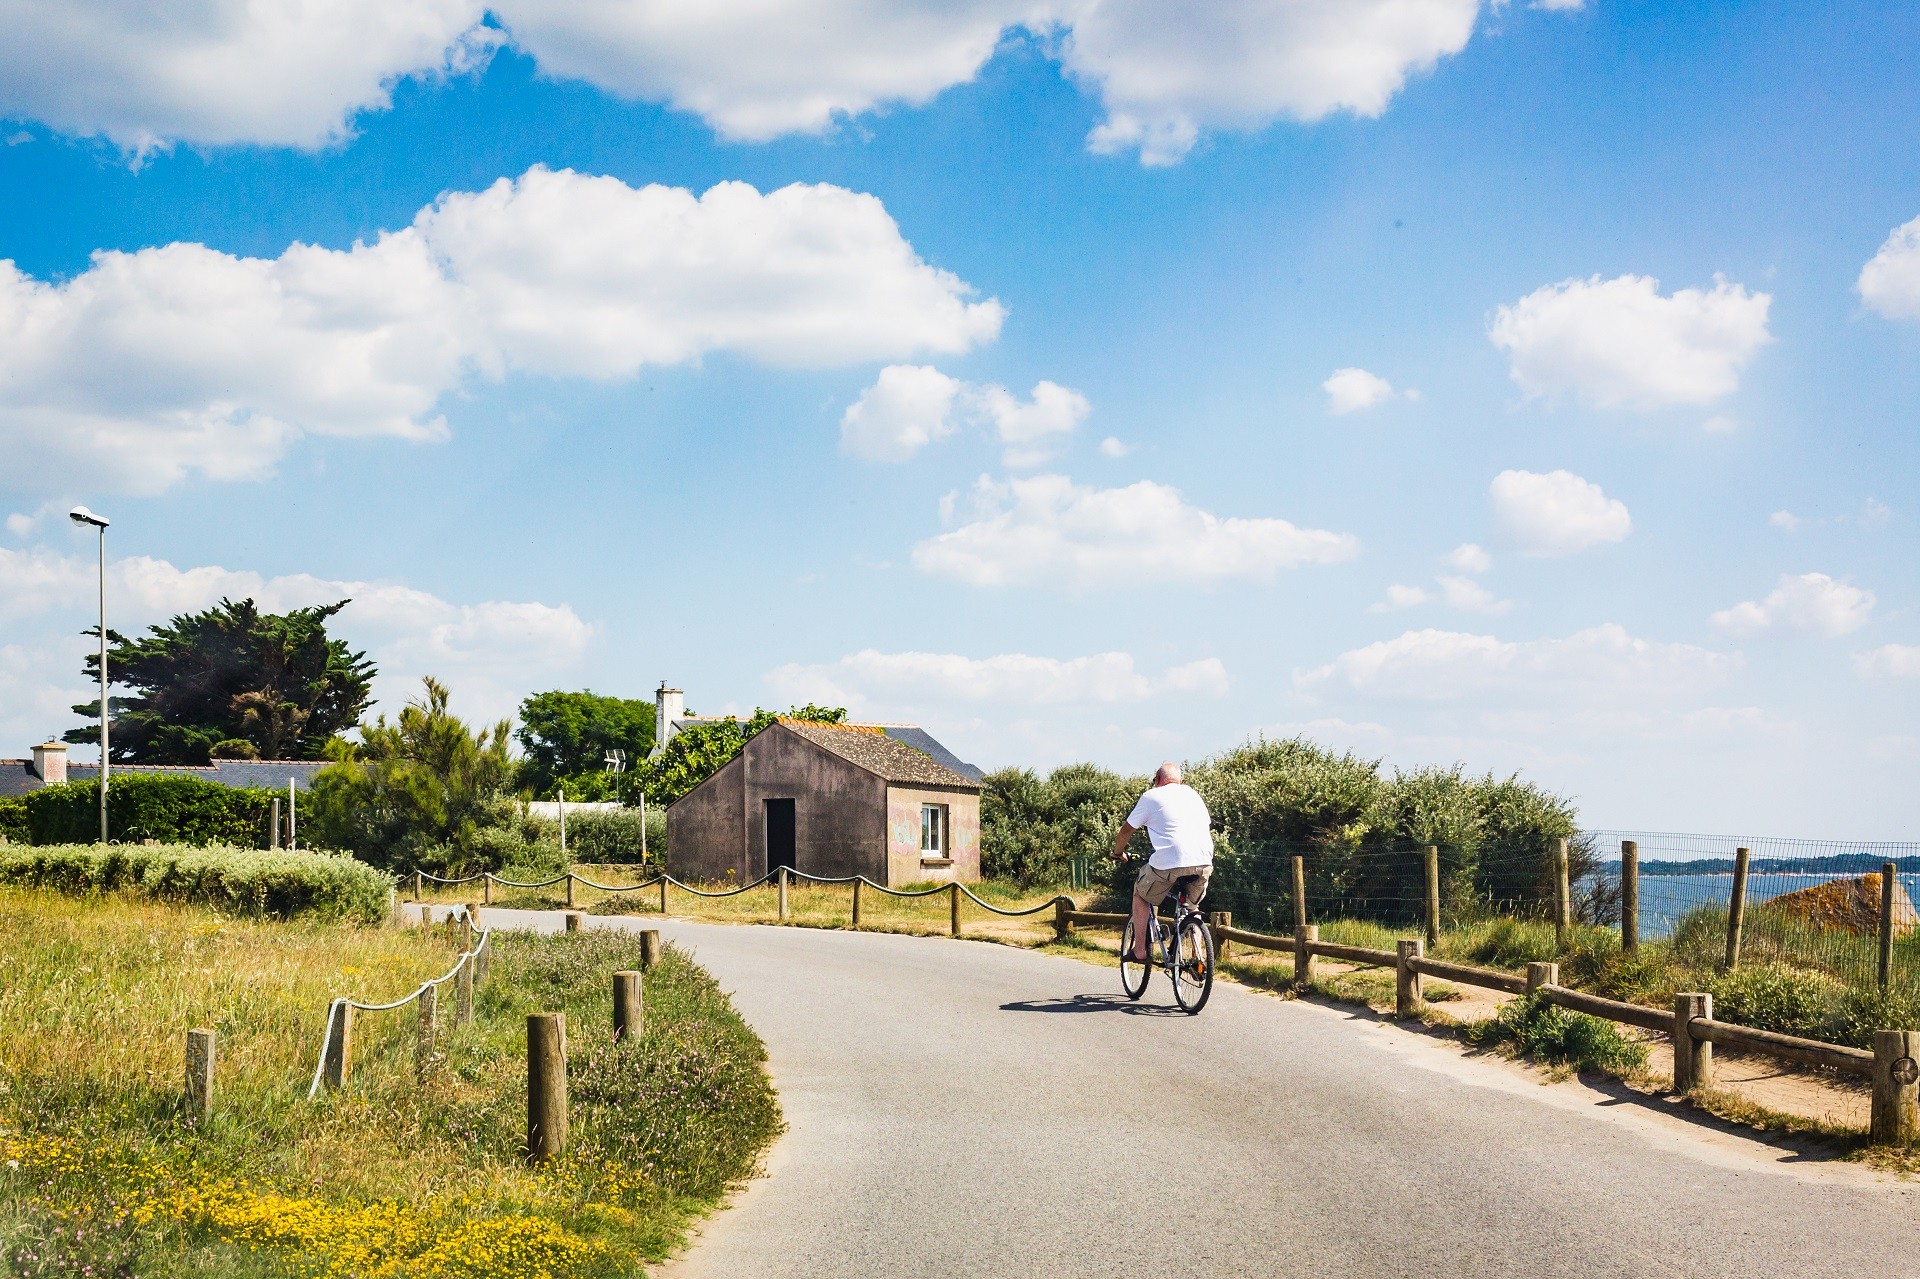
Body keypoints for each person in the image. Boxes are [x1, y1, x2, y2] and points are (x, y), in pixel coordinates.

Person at [1110, 761, 1213, 962]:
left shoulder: (1151, 796)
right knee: (1193, 906)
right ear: (1181, 781)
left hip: (1169, 863)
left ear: (1157, 780)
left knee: (1140, 894)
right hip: (1204, 861)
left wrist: (1118, 852)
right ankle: (1199, 957)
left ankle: (1140, 951)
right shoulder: (1193, 794)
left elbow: (1126, 831)